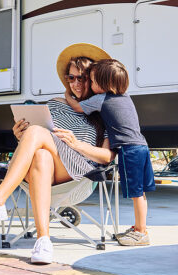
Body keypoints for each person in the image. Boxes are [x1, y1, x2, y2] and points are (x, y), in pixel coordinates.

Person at [0, 43, 114, 264]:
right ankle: (43, 241)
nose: (76, 83)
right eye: (71, 78)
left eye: (82, 78)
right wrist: (20, 136)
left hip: (79, 175)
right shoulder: (55, 104)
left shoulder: (104, 112)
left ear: (93, 79)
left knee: (37, 133)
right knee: (41, 154)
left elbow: (107, 157)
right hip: (47, 168)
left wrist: (76, 144)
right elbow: (41, 139)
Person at [65, 58, 155, 246]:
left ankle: (141, 232)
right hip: (142, 146)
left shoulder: (100, 98)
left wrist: (67, 92)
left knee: (136, 193)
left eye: (93, 80)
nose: (91, 83)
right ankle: (141, 226)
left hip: (128, 149)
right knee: (142, 192)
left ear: (104, 84)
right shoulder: (126, 97)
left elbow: (76, 107)